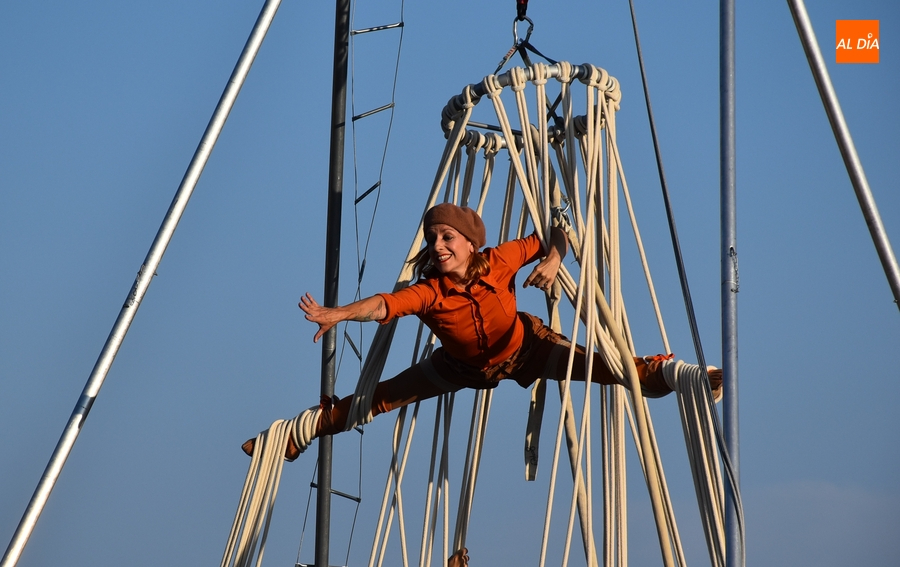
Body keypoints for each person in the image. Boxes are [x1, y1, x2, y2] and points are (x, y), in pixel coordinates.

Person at [243, 203, 721, 460]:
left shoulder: (501, 258)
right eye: (433, 239)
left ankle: (674, 376)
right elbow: (386, 306)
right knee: (379, 399)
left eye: (447, 238)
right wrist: (339, 314)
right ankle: (291, 437)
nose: (439, 245)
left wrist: (554, 259)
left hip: (527, 349)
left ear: (471, 243)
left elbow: (555, 233)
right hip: (459, 369)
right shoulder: (431, 292)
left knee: (602, 367)